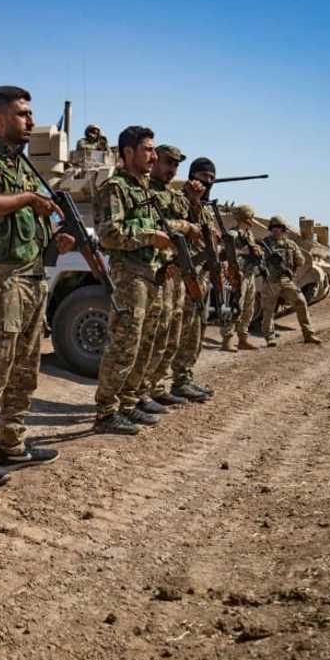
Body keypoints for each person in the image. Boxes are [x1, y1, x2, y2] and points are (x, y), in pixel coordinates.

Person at [0, 86, 72, 487]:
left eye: (31, 113)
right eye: (23, 114)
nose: (31, 122)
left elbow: (25, 229)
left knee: (26, 368)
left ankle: (13, 442)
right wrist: (26, 199)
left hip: (32, 277)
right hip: (1, 281)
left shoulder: (22, 167)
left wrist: (55, 243)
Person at [93, 126, 174, 435]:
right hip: (129, 276)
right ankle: (105, 411)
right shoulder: (116, 188)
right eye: (148, 150)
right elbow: (109, 234)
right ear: (128, 152)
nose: (154, 156)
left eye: (154, 150)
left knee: (145, 342)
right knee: (124, 345)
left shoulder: (144, 190)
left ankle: (128, 403)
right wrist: (150, 236)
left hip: (152, 274)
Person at [138, 145, 203, 408]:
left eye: (175, 165)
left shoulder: (172, 195)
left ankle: (156, 385)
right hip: (156, 270)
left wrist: (194, 201)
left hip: (175, 271)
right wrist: (185, 226)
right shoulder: (146, 191)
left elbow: (193, 220)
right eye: (167, 162)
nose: (171, 169)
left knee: (170, 334)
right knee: (151, 335)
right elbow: (158, 225)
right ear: (154, 161)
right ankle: (141, 391)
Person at [170, 157, 219, 402]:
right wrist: (193, 200)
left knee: (197, 330)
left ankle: (184, 377)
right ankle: (174, 380)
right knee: (183, 330)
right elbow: (182, 228)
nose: (207, 182)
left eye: (211, 178)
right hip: (185, 275)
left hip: (203, 275)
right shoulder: (181, 199)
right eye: (203, 176)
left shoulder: (207, 205)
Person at [259, 215, 321, 347]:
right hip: (271, 281)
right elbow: (259, 262)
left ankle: (308, 334)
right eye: (273, 228)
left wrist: (290, 267)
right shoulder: (265, 244)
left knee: (301, 302)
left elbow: (301, 261)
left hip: (287, 280)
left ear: (283, 229)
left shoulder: (291, 245)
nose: (276, 230)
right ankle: (270, 338)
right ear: (271, 229)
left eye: (278, 228)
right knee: (268, 310)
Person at [219, 204, 263, 351]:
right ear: (245, 218)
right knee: (233, 307)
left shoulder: (248, 234)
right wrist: (241, 252)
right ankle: (227, 340)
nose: (252, 220)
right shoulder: (234, 234)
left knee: (248, 308)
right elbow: (223, 252)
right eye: (250, 217)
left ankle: (243, 338)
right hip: (238, 274)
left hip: (249, 274)